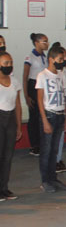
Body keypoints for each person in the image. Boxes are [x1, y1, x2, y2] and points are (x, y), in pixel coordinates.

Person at [35, 46, 66, 193]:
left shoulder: (61, 75)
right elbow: (40, 99)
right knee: (47, 150)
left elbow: (64, 97)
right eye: (60, 59)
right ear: (51, 59)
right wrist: (44, 120)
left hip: (60, 114)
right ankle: (45, 181)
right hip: (49, 114)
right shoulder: (42, 75)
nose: (62, 62)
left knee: (55, 150)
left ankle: (53, 178)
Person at [0, 51, 22, 201]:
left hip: (11, 120)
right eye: (5, 63)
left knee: (7, 156)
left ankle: (4, 188)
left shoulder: (14, 81)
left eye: (10, 63)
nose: (9, 66)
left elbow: (18, 105)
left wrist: (19, 126)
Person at [24, 33, 49, 156]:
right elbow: (25, 78)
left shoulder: (44, 56)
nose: (46, 44)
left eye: (47, 41)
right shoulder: (30, 57)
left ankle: (41, 143)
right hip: (33, 87)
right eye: (44, 41)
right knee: (34, 117)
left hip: (42, 86)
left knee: (41, 116)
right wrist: (26, 96)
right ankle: (34, 146)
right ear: (37, 43)